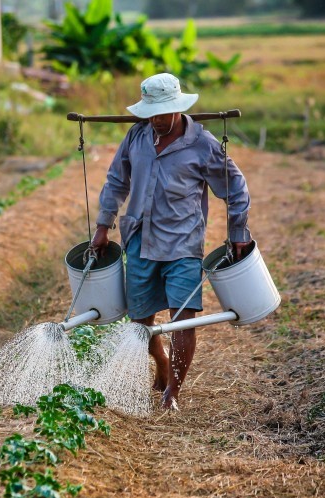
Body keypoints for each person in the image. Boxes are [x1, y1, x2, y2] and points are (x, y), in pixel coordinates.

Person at [89, 72, 253, 411]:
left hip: (183, 245)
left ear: (178, 109)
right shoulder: (136, 136)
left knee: (183, 318)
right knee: (140, 322)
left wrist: (237, 232)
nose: (157, 120)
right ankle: (161, 363)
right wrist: (103, 225)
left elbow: (235, 188)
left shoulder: (203, 145)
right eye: (152, 114)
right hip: (139, 240)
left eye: (163, 113)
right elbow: (116, 181)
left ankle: (171, 394)